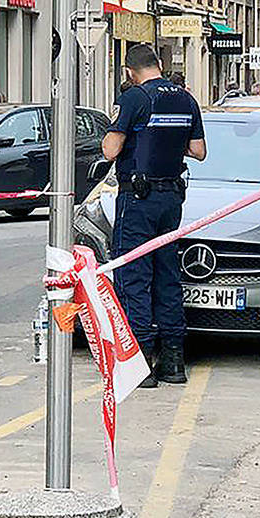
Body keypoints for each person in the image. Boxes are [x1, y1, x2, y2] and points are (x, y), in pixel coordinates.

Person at [102, 44, 207, 388]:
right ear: (159, 65)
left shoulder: (134, 98)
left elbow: (110, 149)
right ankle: (174, 360)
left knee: (133, 276)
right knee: (167, 276)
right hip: (171, 199)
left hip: (138, 199)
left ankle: (141, 360)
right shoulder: (186, 99)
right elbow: (199, 151)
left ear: (129, 72)